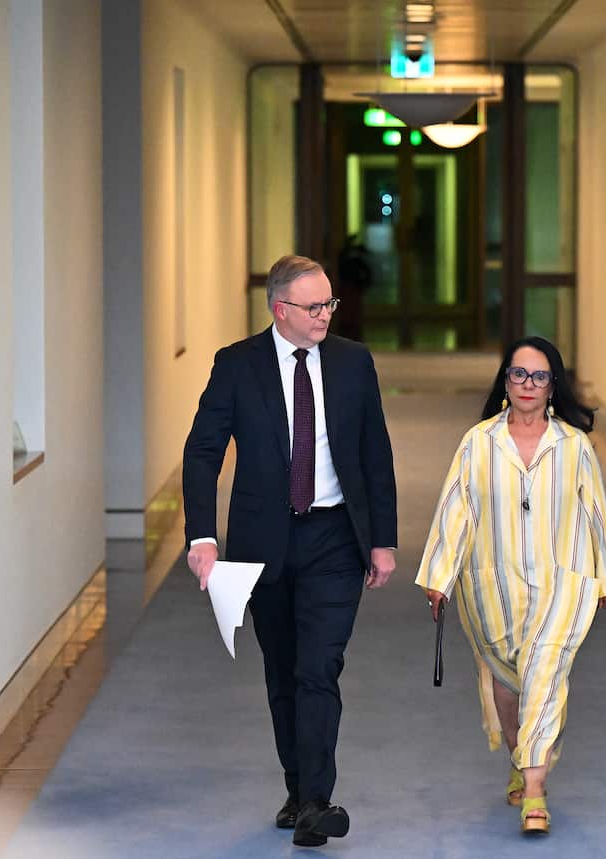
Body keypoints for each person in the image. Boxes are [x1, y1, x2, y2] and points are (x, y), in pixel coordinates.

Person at [183, 254, 398, 848]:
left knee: (318, 669)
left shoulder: (354, 362)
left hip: (334, 538)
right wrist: (202, 536)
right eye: (314, 306)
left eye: (330, 303)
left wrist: (383, 540)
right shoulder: (237, 366)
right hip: (265, 543)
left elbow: (374, 452)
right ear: (281, 310)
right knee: (282, 672)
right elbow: (202, 452)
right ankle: (298, 790)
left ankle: (316, 802)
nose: (327, 314)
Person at [415, 336, 606, 836]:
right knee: (510, 681)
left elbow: (595, 511)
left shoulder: (573, 445)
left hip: (563, 584)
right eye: (518, 374)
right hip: (491, 585)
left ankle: (535, 792)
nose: (528, 384)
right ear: (505, 381)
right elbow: (456, 509)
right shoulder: (478, 442)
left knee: (545, 673)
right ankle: (520, 754)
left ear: (554, 386)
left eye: (540, 376)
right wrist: (439, 578)